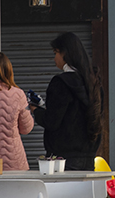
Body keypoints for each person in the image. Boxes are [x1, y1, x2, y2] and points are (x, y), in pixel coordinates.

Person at [31, 32, 103, 172]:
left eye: (55, 53)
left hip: (62, 161)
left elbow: (51, 121)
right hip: (89, 159)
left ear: (65, 53)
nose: (54, 58)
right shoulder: (94, 83)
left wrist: (36, 110)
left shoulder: (61, 83)